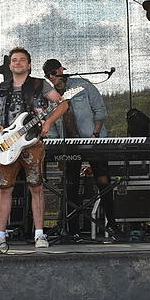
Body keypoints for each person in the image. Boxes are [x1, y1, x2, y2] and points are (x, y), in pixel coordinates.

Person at [0, 47, 68, 251]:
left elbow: (63, 104)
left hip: (32, 142)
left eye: (22, 60)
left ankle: (40, 234)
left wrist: (49, 122)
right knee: (4, 189)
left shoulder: (39, 85)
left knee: (36, 187)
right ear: (9, 65)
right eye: (14, 60)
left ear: (29, 64)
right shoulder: (2, 87)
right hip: (7, 143)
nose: (18, 63)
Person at [43, 58, 118, 240]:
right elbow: (50, 122)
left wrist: (95, 134)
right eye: (48, 74)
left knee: (103, 182)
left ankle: (113, 226)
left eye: (55, 72)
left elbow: (99, 109)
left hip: (93, 140)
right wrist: (55, 145)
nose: (52, 76)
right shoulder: (49, 94)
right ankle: (72, 229)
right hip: (68, 146)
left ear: (62, 69)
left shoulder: (82, 85)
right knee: (71, 185)